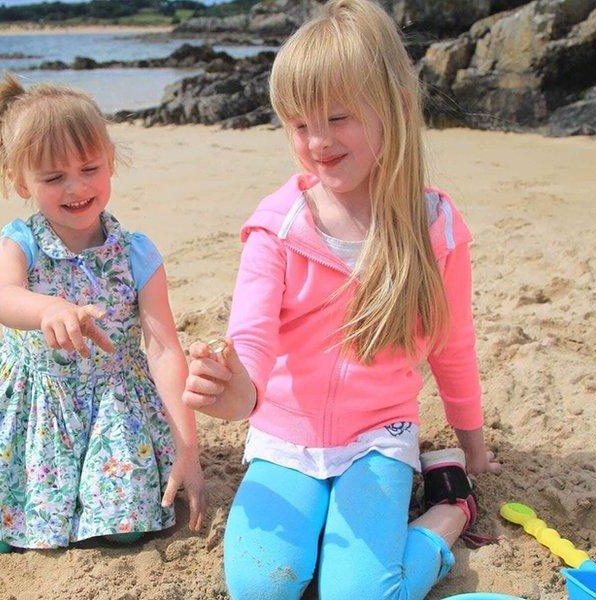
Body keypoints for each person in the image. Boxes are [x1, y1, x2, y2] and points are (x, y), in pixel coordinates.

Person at [181, 1, 500, 597]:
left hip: (378, 439)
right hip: (284, 438)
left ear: (396, 108)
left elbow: (454, 345)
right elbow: (250, 338)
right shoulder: (277, 227)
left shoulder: (435, 226)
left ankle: (449, 510)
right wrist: (236, 390)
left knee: (357, 593)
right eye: (300, 125)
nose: (318, 141)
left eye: (337, 118)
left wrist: (474, 447)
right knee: (262, 588)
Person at [0, 74, 206, 552]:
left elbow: (163, 349)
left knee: (124, 528)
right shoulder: (21, 241)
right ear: (21, 181)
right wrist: (48, 308)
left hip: (111, 404)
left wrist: (188, 450)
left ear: (111, 162)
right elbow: (4, 298)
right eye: (54, 178)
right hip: (32, 401)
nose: (76, 187)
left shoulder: (136, 254)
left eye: (90, 168)